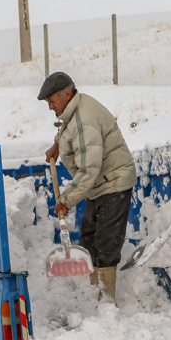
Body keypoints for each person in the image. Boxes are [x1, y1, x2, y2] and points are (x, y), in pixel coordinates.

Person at [39, 72, 136, 302]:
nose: (51, 107)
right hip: (98, 185)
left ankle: (107, 300)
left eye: (52, 101)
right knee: (89, 237)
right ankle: (96, 293)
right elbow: (68, 130)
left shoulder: (85, 118)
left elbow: (89, 168)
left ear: (67, 94)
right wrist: (57, 146)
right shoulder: (74, 110)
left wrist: (66, 199)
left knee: (106, 242)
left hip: (113, 182)